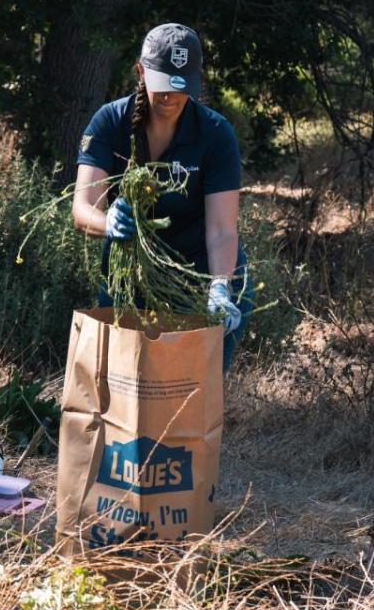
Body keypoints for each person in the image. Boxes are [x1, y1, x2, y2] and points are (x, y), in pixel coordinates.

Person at [71, 22, 250, 372]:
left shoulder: (215, 134)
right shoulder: (110, 122)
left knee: (189, 391)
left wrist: (219, 288)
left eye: (181, 87)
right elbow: (82, 209)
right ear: (141, 71)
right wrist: (107, 223)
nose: (170, 98)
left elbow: (222, 229)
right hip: (130, 278)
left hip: (199, 275)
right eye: (162, 85)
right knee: (120, 384)